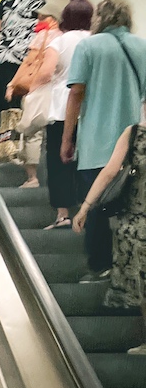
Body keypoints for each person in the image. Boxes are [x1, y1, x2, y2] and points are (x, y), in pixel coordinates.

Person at [63, 0, 146, 282]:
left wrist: (67, 138)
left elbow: (75, 94)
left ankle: (100, 267)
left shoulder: (88, 46)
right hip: (133, 145)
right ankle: (130, 270)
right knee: (131, 208)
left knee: (95, 205)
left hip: (96, 143)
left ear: (100, 17)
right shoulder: (142, 46)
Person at [73, 121, 145, 355]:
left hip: (136, 225)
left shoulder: (134, 133)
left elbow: (110, 172)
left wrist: (85, 207)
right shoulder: (133, 133)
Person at [39, 0, 93, 228]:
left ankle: (63, 213)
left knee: (59, 160)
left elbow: (45, 73)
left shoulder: (59, 42)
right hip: (90, 109)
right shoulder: (96, 41)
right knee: (86, 160)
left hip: (62, 108)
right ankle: (86, 210)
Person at [5, 13, 61, 189]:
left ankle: (33, 178)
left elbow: (28, 63)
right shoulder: (65, 39)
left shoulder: (42, 37)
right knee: (57, 135)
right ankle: (57, 178)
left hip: (39, 91)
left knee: (32, 133)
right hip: (60, 95)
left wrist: (12, 84)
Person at [0, 0, 45, 132]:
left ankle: (6, 136)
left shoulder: (6, 2)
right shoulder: (41, 2)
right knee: (26, 99)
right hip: (31, 57)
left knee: (4, 98)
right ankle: (24, 136)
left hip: (6, 55)